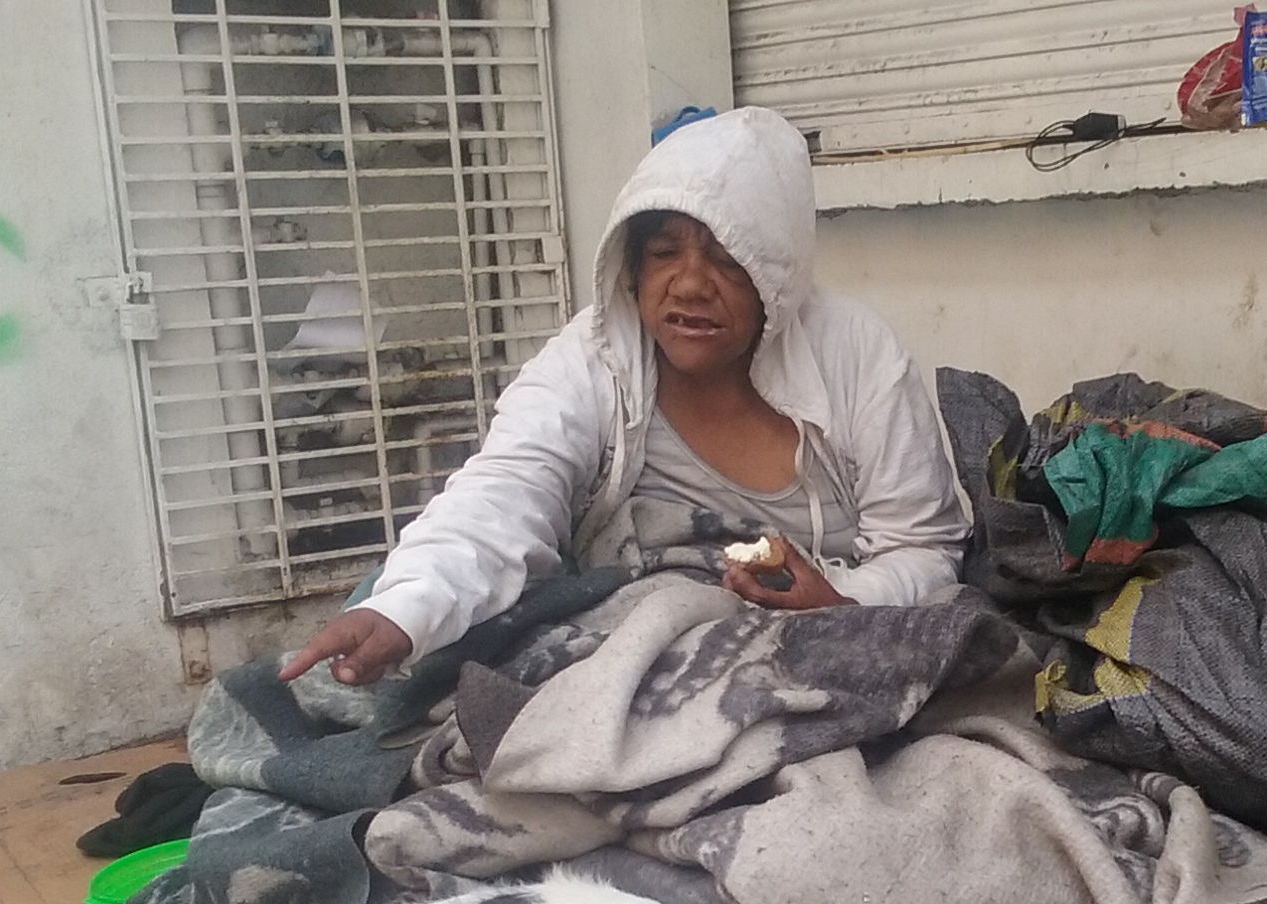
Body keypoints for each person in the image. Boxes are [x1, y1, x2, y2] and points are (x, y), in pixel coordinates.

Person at [278, 106, 969, 686]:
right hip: (631, 641)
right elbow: (506, 490)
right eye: (665, 252)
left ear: (777, 275)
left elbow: (925, 547)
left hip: (823, 647)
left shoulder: (856, 357)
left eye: (727, 258)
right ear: (631, 266)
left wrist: (845, 600)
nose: (690, 284)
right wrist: (406, 608)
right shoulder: (595, 358)